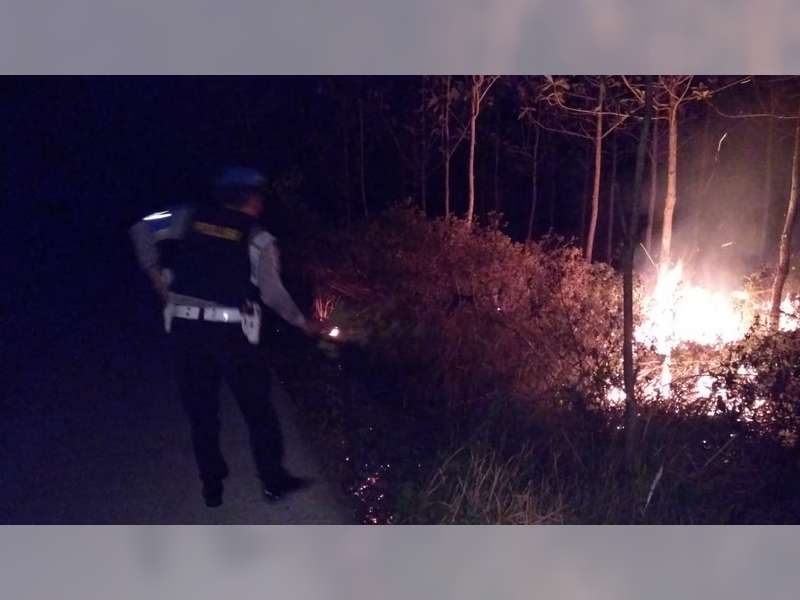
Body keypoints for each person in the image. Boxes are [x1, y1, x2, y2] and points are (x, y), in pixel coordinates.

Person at [130, 166, 321, 508]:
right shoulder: (260, 238)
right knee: (258, 410)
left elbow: (140, 226)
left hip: (187, 330)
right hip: (233, 333)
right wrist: (302, 322)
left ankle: (212, 487)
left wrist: (157, 277)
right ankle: (273, 482)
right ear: (254, 200)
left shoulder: (186, 216)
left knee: (203, 412)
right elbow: (273, 293)